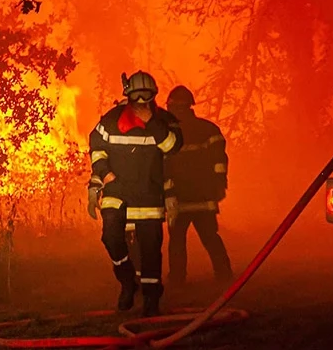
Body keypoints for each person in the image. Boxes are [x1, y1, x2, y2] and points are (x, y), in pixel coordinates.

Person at [86, 71, 183, 316]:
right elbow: (96, 147)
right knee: (111, 237)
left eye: (146, 95)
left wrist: (151, 121)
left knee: (150, 249)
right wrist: (102, 176)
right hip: (117, 191)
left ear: (154, 96)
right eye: (136, 95)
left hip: (149, 194)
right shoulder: (111, 120)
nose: (141, 101)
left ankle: (151, 299)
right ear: (127, 96)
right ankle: (127, 282)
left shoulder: (165, 122)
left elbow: (172, 148)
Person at [163, 85, 233, 285]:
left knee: (177, 241)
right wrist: (219, 185)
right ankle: (224, 274)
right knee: (210, 237)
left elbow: (163, 166)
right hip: (202, 197)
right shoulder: (208, 129)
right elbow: (220, 160)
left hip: (178, 199)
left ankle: (177, 278)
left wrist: (167, 193)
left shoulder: (167, 135)